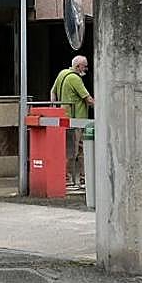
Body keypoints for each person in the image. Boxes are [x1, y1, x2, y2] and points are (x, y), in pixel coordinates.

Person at [51, 56, 95, 190]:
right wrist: (101, 109)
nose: (86, 69)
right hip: (77, 120)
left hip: (65, 118)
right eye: (85, 66)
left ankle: (69, 179)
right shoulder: (75, 79)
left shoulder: (62, 74)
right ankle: (77, 180)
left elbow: (53, 92)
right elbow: (87, 99)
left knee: (69, 150)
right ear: (78, 67)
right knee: (78, 151)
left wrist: (55, 109)